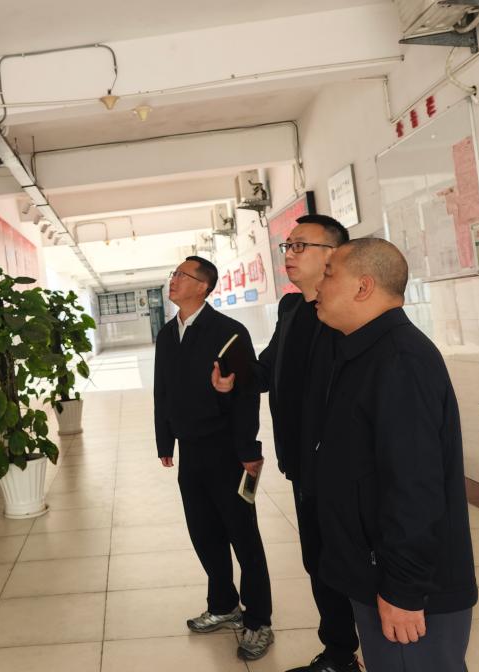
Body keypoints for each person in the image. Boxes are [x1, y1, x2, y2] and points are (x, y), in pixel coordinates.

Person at [313, 238, 477, 672]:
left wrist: (404, 589)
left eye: (329, 275)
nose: (317, 287)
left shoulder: (400, 359)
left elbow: (415, 485)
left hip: (406, 588)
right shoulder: (363, 351)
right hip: (375, 570)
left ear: (363, 287)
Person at [222, 214, 362, 672]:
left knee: (348, 562)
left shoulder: (347, 314)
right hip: (301, 463)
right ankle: (339, 653)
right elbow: (268, 370)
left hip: (341, 466)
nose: (290, 254)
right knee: (318, 561)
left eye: (302, 246)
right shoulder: (291, 310)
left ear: (334, 256)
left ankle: (371, 650)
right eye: (288, 246)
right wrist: (236, 377)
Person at [154, 256, 274, 661]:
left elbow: (247, 395)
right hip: (191, 451)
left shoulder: (229, 333)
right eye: (174, 273)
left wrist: (249, 451)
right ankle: (224, 605)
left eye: (181, 275)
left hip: (227, 452)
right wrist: (164, 440)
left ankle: (258, 620)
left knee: (244, 538)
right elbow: (162, 390)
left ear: (203, 287)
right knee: (204, 532)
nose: (173, 280)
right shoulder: (168, 334)